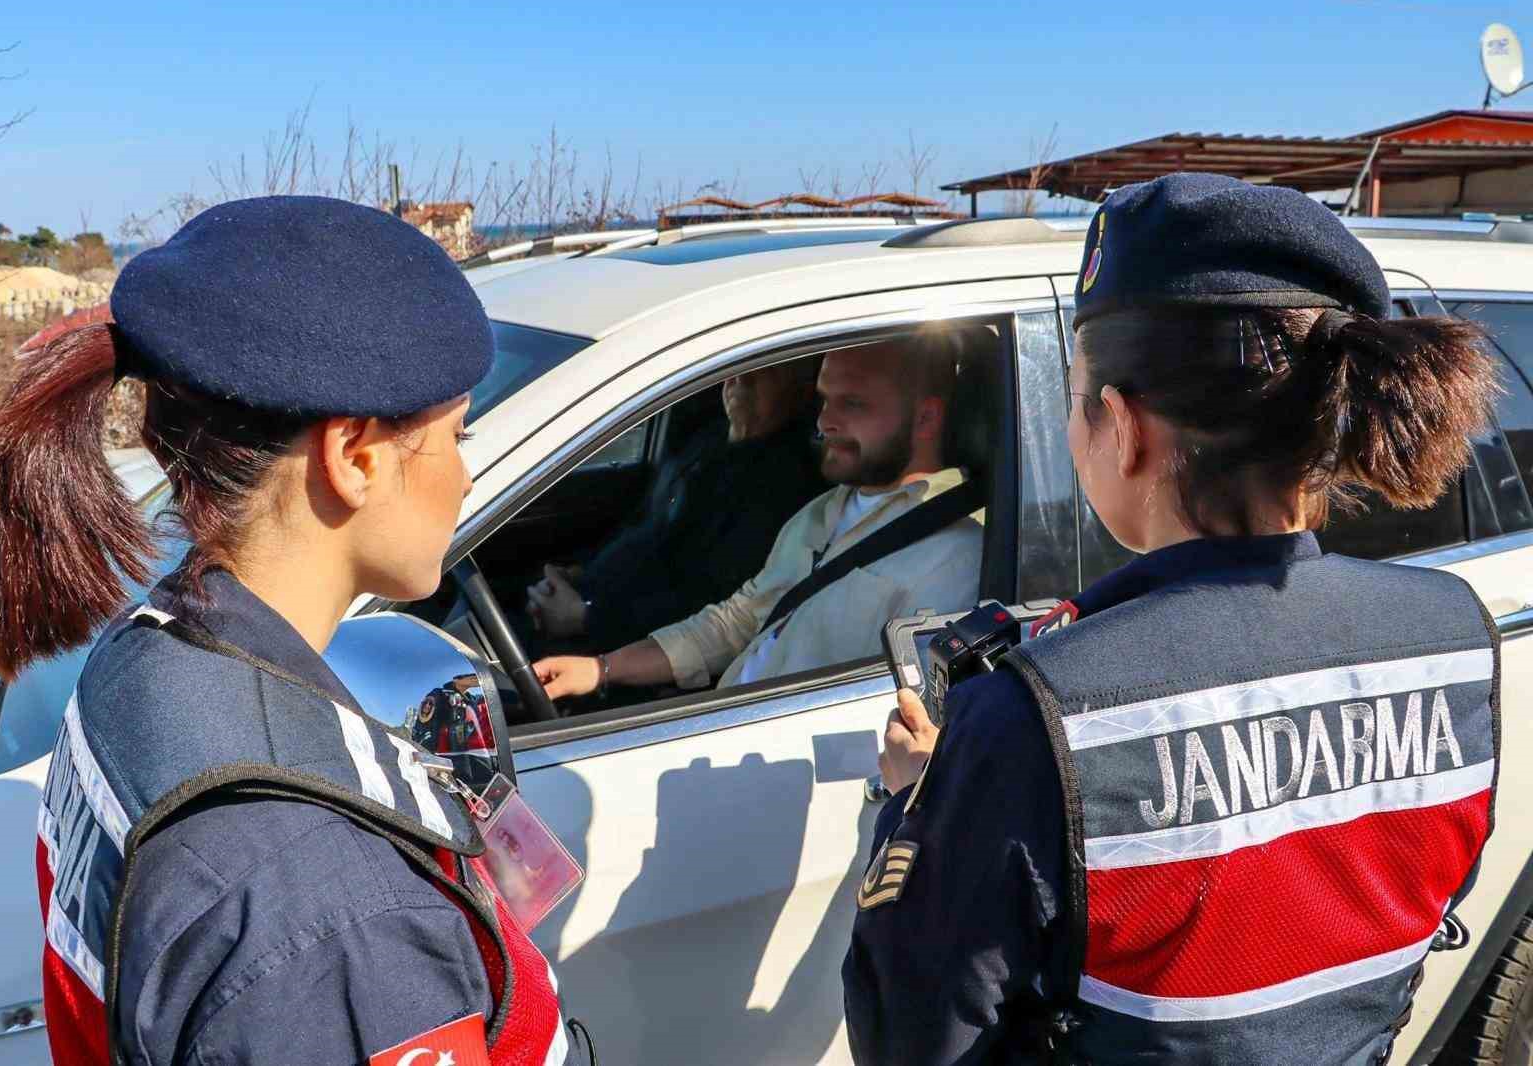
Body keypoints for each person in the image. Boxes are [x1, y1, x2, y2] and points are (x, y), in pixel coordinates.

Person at [843, 173, 1502, 1065]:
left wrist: (912, 801)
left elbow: (917, 1038)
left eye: (1074, 401)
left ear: (1123, 426)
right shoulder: (1454, 634)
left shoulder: (1032, 719)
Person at [0, 197, 592, 1066]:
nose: (465, 470)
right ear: (355, 457)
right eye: (457, 433)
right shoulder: (342, 925)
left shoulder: (148, 656)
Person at [532, 331, 986, 701]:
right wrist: (600, 668)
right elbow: (737, 621)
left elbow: (901, 708)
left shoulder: (958, 549)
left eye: (853, 404)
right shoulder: (822, 511)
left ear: (925, 419)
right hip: (720, 717)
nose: (824, 421)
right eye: (824, 399)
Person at [525, 358, 824, 651]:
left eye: (766, 372)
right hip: (594, 597)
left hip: (627, 641)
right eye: (741, 366)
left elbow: (711, 604)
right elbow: (643, 526)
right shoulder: (707, 440)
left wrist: (585, 617)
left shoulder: (785, 487)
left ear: (801, 392)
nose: (740, 379)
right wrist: (577, 573)